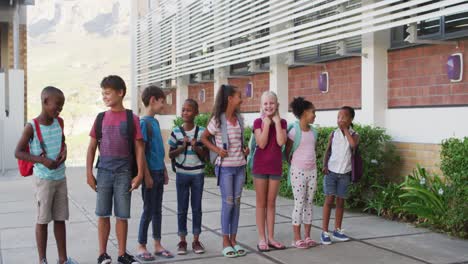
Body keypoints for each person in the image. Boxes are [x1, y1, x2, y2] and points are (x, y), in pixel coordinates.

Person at [15, 86, 78, 264]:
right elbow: (18, 152)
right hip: (43, 180)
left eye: (61, 107)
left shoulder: (60, 122)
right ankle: (42, 260)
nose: (59, 110)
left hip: (60, 178)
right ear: (45, 102)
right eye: (56, 106)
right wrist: (42, 161)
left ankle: (63, 259)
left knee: (60, 219)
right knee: (43, 220)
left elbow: (62, 142)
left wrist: (65, 151)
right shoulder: (32, 127)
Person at [86, 75, 144, 264]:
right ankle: (102, 254)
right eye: (103, 94)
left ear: (120, 93)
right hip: (103, 173)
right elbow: (92, 146)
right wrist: (89, 173)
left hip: (124, 173)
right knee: (102, 214)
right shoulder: (101, 118)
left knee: (122, 215)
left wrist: (140, 174)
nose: (105, 97)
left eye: (108, 93)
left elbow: (139, 148)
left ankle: (121, 254)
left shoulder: (131, 118)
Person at [200, 84, 249, 258]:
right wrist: (217, 149)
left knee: (236, 203)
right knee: (228, 203)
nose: (241, 99)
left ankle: (234, 240)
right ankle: (225, 241)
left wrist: (245, 150)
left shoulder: (239, 119)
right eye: (239, 96)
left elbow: (240, 141)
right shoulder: (217, 120)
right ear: (230, 99)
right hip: (226, 168)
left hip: (240, 166)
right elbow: (203, 137)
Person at [136, 85, 173, 261]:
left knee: (157, 210)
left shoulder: (156, 122)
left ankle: (157, 244)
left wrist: (164, 170)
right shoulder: (143, 123)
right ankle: (141, 245)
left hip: (159, 172)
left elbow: (158, 151)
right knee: (148, 210)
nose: (163, 105)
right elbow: (141, 152)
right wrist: (147, 175)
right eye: (161, 101)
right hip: (150, 175)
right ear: (152, 100)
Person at [169, 99, 207, 255]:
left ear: (196, 113)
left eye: (189, 110)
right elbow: (170, 154)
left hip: (197, 174)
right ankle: (182, 240)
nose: (185, 112)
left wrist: (195, 145)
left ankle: (196, 240)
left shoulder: (203, 132)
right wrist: (183, 147)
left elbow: (205, 156)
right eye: (183, 110)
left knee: (197, 208)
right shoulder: (176, 132)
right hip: (182, 174)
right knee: (182, 208)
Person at [251, 91, 287, 252]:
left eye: (271, 103)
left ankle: (271, 237)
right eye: (265, 104)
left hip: (275, 167)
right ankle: (261, 238)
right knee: (261, 203)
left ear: (277, 105)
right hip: (260, 167)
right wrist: (266, 124)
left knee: (271, 203)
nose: (268, 106)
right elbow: (262, 143)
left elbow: (280, 142)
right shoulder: (258, 122)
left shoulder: (283, 122)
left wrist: (277, 123)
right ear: (261, 106)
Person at [321, 106, 359, 245]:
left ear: (351, 120)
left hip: (344, 174)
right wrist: (324, 165)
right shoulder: (333, 134)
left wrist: (345, 130)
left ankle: (337, 229)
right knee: (329, 201)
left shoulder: (354, 134)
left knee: (340, 202)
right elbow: (327, 151)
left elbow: (353, 145)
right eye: (338, 117)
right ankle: (324, 231)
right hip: (331, 172)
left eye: (344, 117)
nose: (340, 119)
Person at [285, 97, 319, 249]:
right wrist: (293, 165)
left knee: (309, 204)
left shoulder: (314, 132)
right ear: (305, 113)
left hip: (312, 172)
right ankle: (297, 238)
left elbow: (313, 150)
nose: (315, 115)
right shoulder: (294, 130)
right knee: (299, 204)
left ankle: (308, 236)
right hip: (298, 172)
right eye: (313, 112)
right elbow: (287, 152)